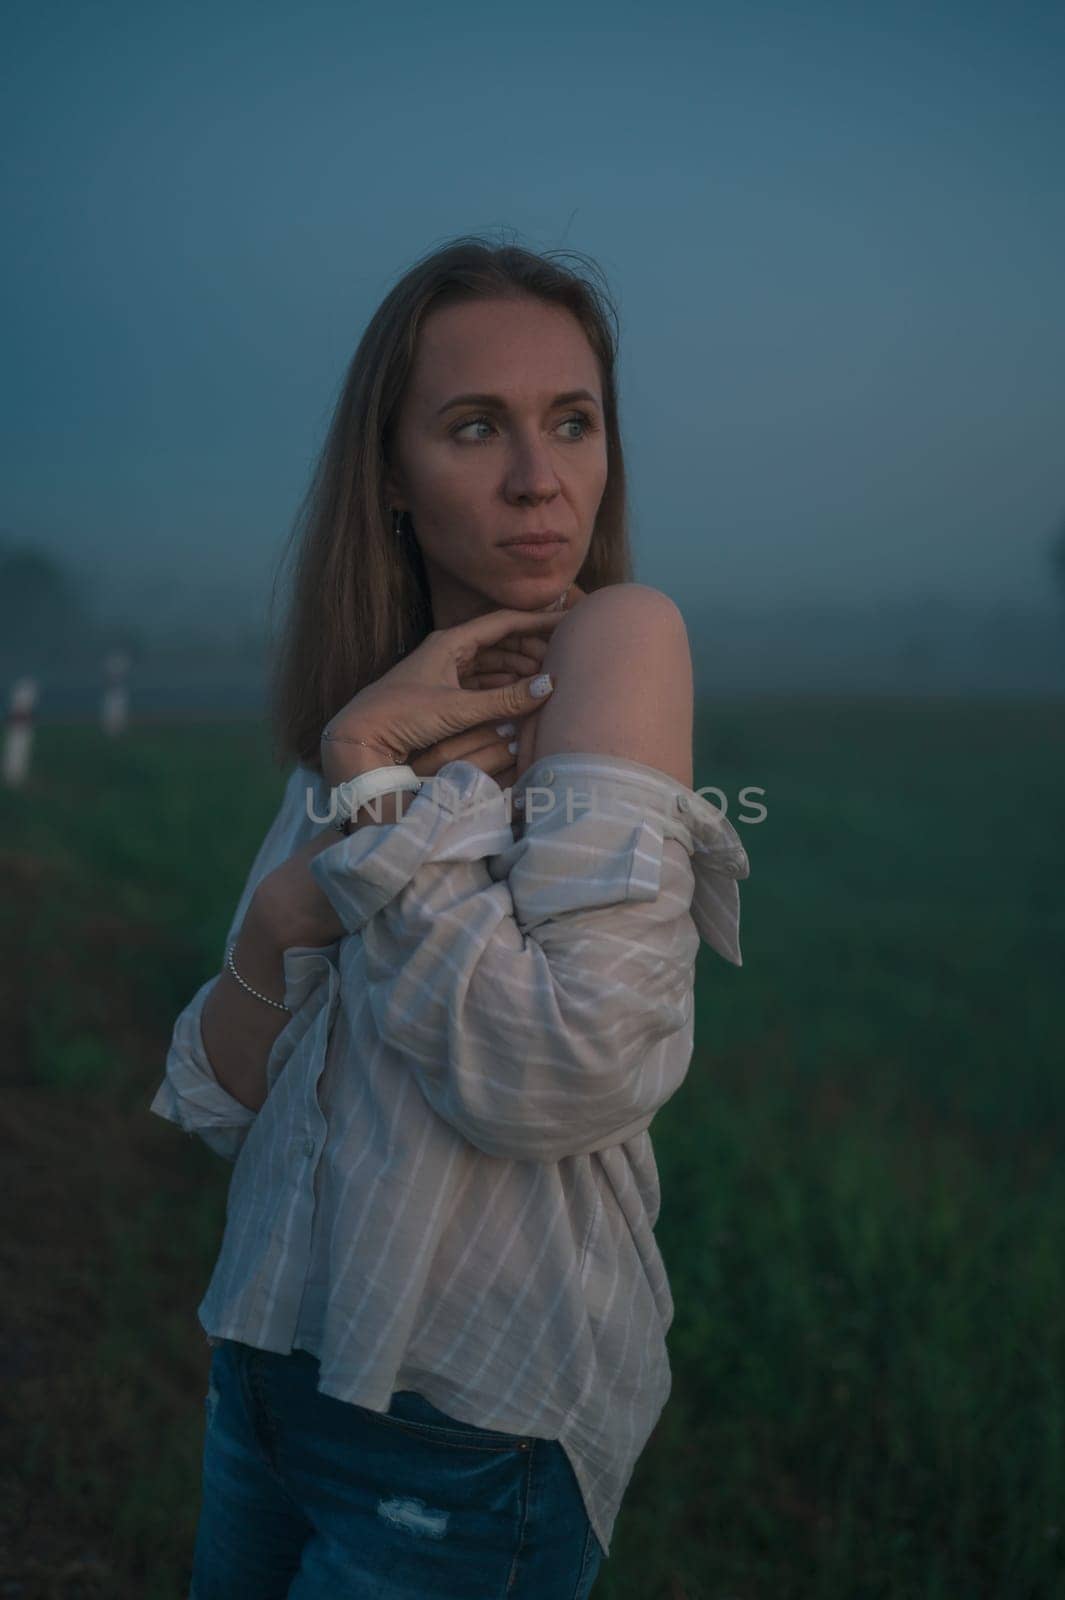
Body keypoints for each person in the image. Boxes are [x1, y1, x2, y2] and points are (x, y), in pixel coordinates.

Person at [150, 235, 751, 1600]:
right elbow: (221, 1105)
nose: (540, 480)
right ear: (390, 477)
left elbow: (568, 1070)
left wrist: (374, 810)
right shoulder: (376, 703)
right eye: (476, 426)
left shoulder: (619, 641)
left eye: (571, 423)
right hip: (262, 1371)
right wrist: (279, 921)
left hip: (465, 1429)